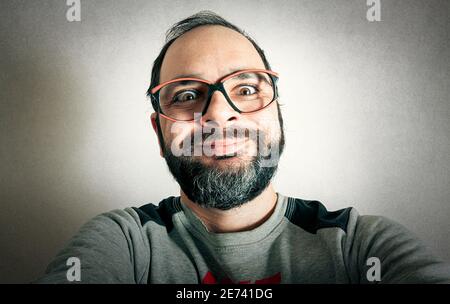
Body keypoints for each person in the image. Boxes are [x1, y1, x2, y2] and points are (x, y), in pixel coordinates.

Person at [36, 11, 450, 284]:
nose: (218, 115)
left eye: (247, 88)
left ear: (279, 118)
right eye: (185, 95)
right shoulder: (123, 242)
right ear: (158, 134)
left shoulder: (362, 245)